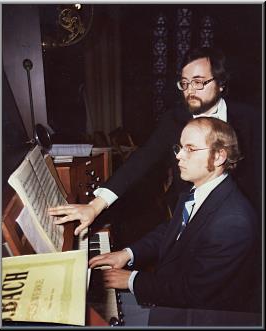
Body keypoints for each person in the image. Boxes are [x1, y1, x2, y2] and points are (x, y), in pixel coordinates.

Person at [48, 46, 261, 236]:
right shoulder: (174, 120)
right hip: (188, 215)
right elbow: (141, 160)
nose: (190, 91)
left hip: (242, 216)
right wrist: (96, 205)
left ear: (221, 83)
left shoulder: (250, 119)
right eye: (185, 84)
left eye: (198, 82)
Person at [88, 117, 260, 326]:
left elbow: (194, 292)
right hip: (172, 293)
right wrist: (128, 253)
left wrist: (132, 280)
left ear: (219, 156)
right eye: (180, 147)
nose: (179, 156)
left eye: (190, 148)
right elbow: (170, 231)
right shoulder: (198, 189)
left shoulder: (233, 221)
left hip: (199, 317)